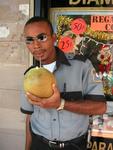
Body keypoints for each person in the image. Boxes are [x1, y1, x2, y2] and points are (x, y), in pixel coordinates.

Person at [20, 16, 107, 150]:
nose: (36, 45)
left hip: (73, 146)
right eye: (30, 40)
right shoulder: (29, 76)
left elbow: (100, 107)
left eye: (42, 37)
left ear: (54, 38)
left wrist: (61, 103)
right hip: (39, 144)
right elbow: (30, 117)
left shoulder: (82, 66)